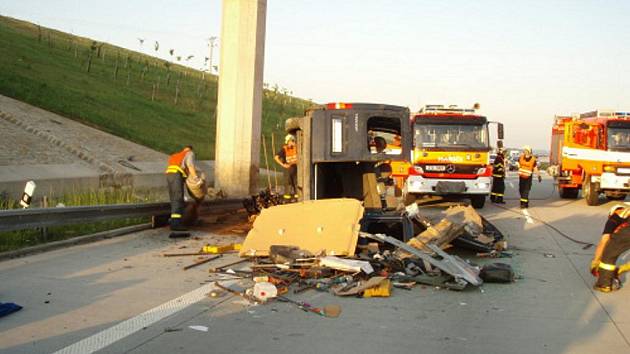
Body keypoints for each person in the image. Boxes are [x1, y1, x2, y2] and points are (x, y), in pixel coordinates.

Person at [591, 204, 630, 293]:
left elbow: (604, 240)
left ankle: (604, 284)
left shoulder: (614, 218)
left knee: (609, 254)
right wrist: (624, 268)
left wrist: (595, 261)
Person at [165, 145, 198, 231]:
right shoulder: (190, 153)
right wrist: (196, 178)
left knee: (173, 198)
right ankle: (176, 224)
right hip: (176, 174)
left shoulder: (177, 155)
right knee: (178, 198)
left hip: (169, 175)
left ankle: (173, 220)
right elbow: (190, 166)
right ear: (190, 149)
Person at [274, 134, 298, 201]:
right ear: (287, 142)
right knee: (287, 183)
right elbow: (276, 157)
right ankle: (287, 199)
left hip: (295, 167)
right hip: (287, 168)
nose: (292, 143)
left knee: (295, 183)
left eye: (293, 141)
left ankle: (297, 198)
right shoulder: (284, 149)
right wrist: (283, 165)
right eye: (291, 141)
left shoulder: (296, 148)